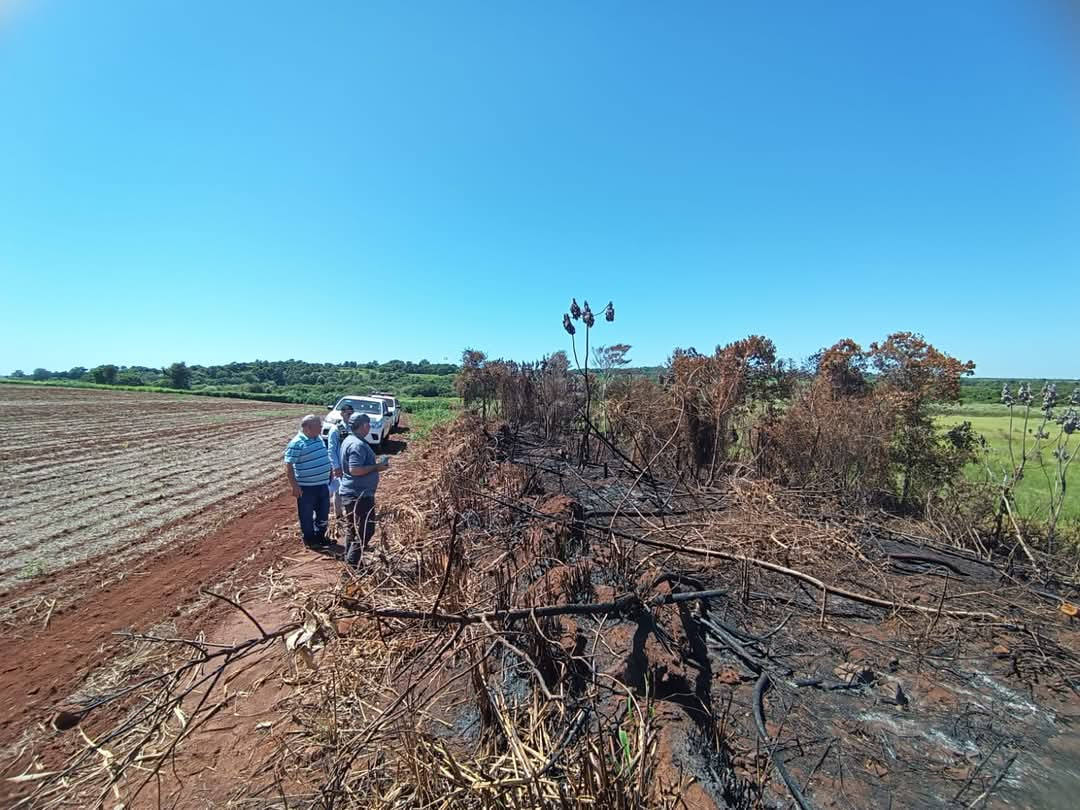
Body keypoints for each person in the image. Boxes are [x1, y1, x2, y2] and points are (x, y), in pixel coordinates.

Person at [339, 412, 389, 567]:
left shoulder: (350, 440)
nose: (369, 427)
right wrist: (377, 467)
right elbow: (355, 470)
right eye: (368, 424)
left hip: (352, 492)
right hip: (358, 494)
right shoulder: (357, 444)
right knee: (366, 529)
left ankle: (350, 560)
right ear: (364, 426)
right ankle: (353, 562)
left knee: (353, 528)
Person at [283, 414, 332, 548]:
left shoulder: (319, 439)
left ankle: (320, 536)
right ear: (308, 428)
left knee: (323, 513)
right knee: (306, 515)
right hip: (306, 487)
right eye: (319, 426)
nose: (322, 427)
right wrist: (295, 486)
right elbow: (288, 466)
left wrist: (330, 473)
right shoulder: (297, 443)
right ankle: (310, 539)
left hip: (322, 485)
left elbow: (324, 457)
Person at [327, 402, 355, 518]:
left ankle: (349, 512)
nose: (350, 416)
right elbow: (331, 450)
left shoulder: (353, 428)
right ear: (342, 414)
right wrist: (336, 466)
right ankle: (338, 514)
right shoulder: (335, 429)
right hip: (340, 465)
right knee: (338, 490)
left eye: (351, 414)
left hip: (351, 465)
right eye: (348, 414)